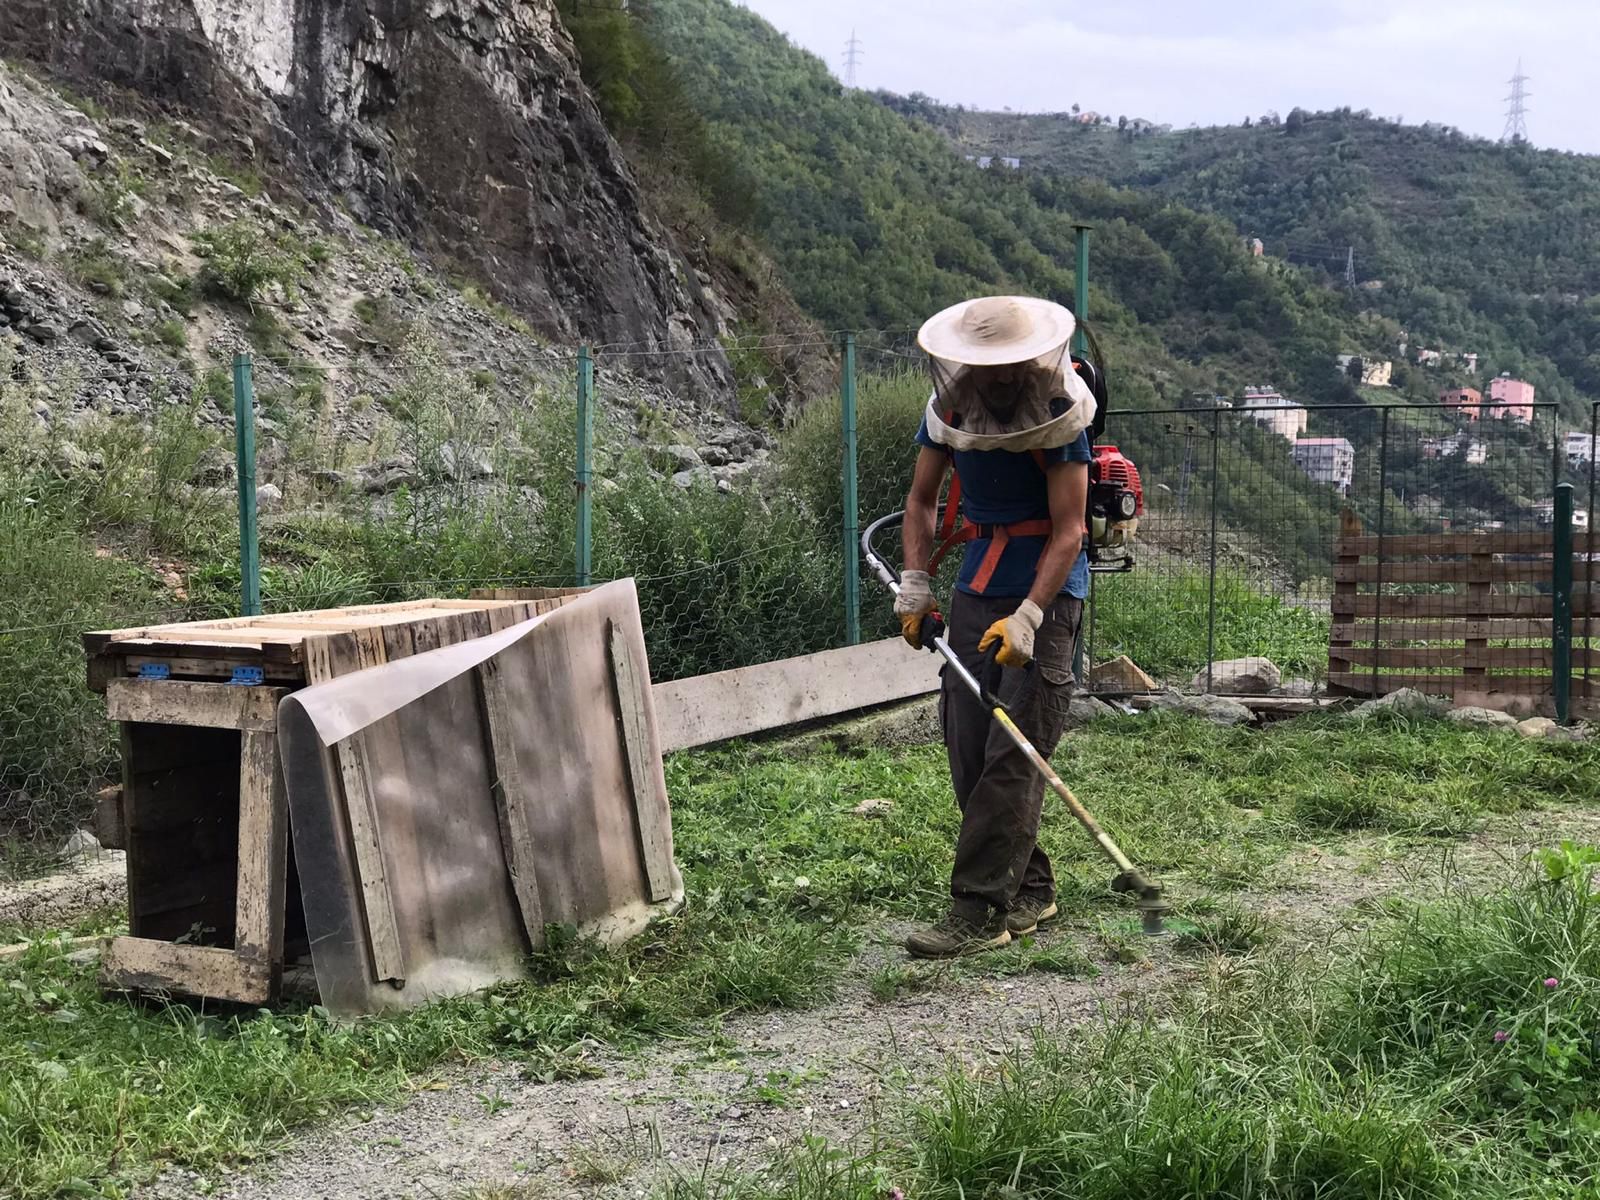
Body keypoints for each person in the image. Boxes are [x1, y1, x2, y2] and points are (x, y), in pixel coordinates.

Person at [895, 295, 1095, 958]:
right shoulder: (951, 408)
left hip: (1048, 589)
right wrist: (917, 586)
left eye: (1014, 365)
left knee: (1018, 746)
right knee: (970, 744)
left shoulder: (1062, 411)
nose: (1005, 378)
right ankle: (1030, 886)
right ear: (966, 364)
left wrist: (1031, 617)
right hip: (978, 582)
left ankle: (980, 911)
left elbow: (1069, 529)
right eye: (991, 367)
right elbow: (921, 501)